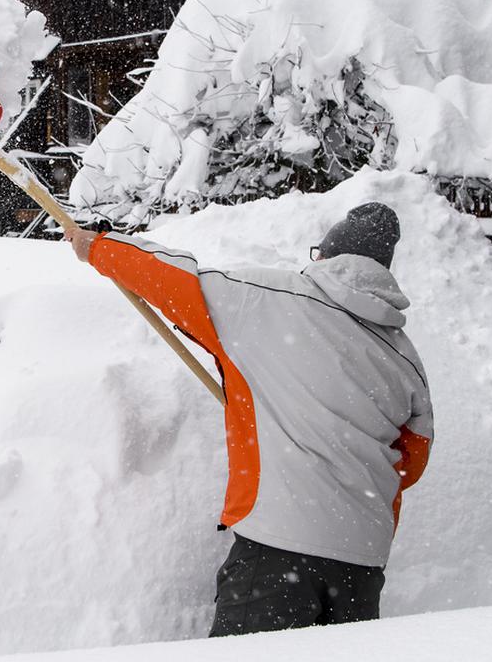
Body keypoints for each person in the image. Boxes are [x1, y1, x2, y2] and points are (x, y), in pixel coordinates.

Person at [64, 202, 433, 636]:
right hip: (363, 566)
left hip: (280, 550)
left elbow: (176, 280)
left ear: (328, 256)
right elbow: (412, 461)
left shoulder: (271, 297)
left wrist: (100, 248)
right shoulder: (407, 358)